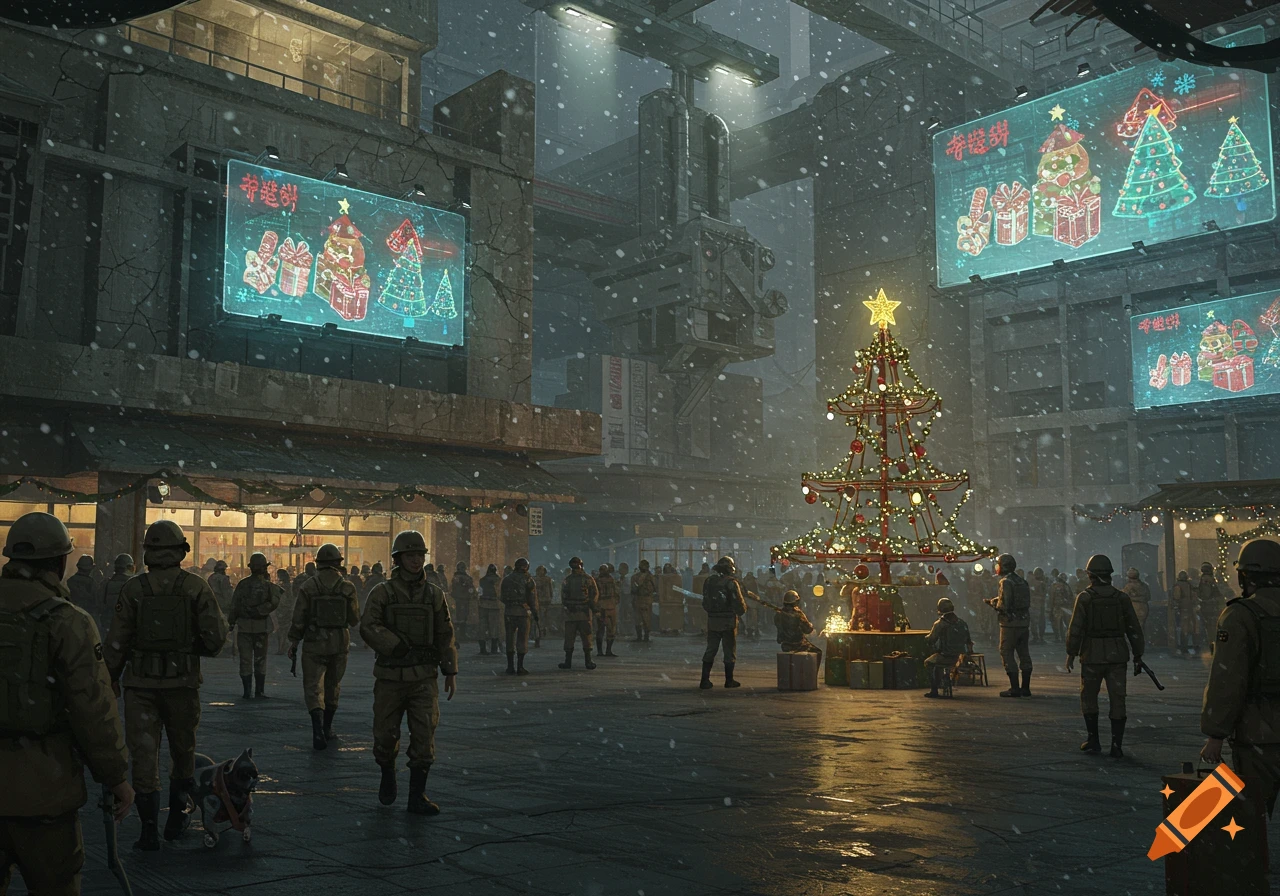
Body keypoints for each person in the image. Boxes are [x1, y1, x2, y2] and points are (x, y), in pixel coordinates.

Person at [0, 513, 134, 895]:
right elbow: (93, 709)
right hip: (44, 793)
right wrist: (115, 777)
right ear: (60, 562)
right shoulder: (67, 621)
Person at [103, 519, 228, 849]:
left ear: (147, 552)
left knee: (144, 757)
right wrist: (190, 649)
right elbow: (216, 637)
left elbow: (116, 643)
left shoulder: (133, 589)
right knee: (183, 752)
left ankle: (148, 831)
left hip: (140, 687)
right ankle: (176, 817)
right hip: (182, 685)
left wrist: (109, 680)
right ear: (181, 551)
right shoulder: (196, 587)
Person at [360, 530, 458, 815]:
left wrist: (450, 670)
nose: (416, 561)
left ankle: (417, 796)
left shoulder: (434, 594)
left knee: (424, 735)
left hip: (424, 678)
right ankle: (387, 773)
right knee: (385, 735)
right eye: (410, 556)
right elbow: (368, 625)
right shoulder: (383, 593)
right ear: (398, 559)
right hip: (390, 677)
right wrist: (394, 645)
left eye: (419, 555)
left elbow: (445, 633)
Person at [1200, 539, 1280, 818]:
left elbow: (1228, 681)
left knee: (1251, 818)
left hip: (1258, 733)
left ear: (1246, 575)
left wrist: (1215, 734)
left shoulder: (1240, 615)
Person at [1066, 554, 1144, 758]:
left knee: (1089, 697)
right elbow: (1134, 629)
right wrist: (1138, 654)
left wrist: (1071, 653)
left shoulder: (1085, 598)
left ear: (1090, 575)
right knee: (1118, 700)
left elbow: (1075, 629)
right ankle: (1116, 745)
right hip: (1117, 654)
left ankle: (1093, 740)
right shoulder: (1122, 598)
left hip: (1091, 655)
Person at [289, 543, 360, 750]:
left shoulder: (309, 586)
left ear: (317, 563)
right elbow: (354, 619)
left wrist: (294, 641)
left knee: (312, 687)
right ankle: (328, 728)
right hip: (339, 642)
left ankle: (317, 730)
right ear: (339, 563)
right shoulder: (347, 587)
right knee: (333, 685)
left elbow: (298, 617)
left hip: (314, 642)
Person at [227, 552, 283, 700]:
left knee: (245, 659)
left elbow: (234, 605)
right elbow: (275, 603)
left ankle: (247, 692)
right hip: (261, 627)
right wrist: (260, 610)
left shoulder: (242, 584)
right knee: (260, 659)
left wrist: (231, 622)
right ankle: (259, 691)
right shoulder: (269, 587)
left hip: (244, 627)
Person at [987, 553, 1032, 698]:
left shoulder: (1005, 582)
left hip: (1009, 624)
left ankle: (1014, 688)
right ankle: (1025, 687)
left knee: (1006, 652)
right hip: (1023, 623)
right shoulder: (1022, 581)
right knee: (1024, 654)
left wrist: (993, 603)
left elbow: (1005, 605)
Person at [699, 556, 748, 689]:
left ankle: (704, 680)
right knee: (729, 651)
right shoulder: (731, 583)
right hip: (728, 621)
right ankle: (729, 680)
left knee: (710, 650)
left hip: (713, 621)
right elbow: (740, 606)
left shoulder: (709, 581)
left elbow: (705, 602)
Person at [923, 597, 972, 698]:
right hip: (960, 657)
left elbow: (931, 640)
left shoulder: (940, 624)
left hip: (946, 656)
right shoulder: (962, 623)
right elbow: (968, 641)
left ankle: (934, 689)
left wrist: (925, 638)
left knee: (929, 663)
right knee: (937, 661)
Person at [500, 558, 539, 675]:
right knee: (522, 640)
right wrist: (535, 613)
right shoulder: (528, 580)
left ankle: (510, 667)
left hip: (509, 612)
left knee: (509, 639)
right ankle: (520, 666)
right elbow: (532, 599)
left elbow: (502, 597)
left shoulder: (507, 579)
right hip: (522, 613)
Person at [559, 557, 598, 669]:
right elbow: (594, 595)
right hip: (578, 612)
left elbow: (593, 595)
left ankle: (582, 660)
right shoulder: (583, 579)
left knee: (581, 637)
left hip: (580, 612)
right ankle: (585, 661)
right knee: (580, 637)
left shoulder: (581, 579)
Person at [775, 590, 821, 666]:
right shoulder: (798, 613)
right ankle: (812, 674)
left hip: (784, 643)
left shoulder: (778, 613)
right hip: (797, 644)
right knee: (818, 652)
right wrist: (811, 625)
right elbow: (808, 630)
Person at [101, 552, 134, 634]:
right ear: (129, 567)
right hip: (127, 628)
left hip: (108, 625)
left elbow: (99, 604)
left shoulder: (105, 584)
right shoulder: (133, 584)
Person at [1197, 562, 1226, 656]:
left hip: (1210, 608)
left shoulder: (1205, 580)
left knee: (1211, 629)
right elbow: (1207, 594)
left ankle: (1213, 648)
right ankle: (1213, 649)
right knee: (1212, 630)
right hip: (1210, 608)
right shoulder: (1207, 579)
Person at [594, 563, 620, 657]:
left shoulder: (599, 580)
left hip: (606, 605)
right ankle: (604, 651)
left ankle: (604, 651)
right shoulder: (599, 580)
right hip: (605, 606)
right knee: (605, 630)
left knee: (607, 630)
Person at [477, 563, 502, 656]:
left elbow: (479, 592)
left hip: (483, 604)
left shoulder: (482, 580)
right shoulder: (498, 580)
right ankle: (494, 648)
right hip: (494, 605)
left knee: (482, 627)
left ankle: (482, 648)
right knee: (494, 627)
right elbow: (499, 593)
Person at [1170, 569, 1195, 655]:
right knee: (1186, 628)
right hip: (1187, 609)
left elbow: (1177, 597)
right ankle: (1184, 646)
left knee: (1182, 629)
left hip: (1183, 609)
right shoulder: (1188, 585)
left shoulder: (1178, 586)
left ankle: (1182, 646)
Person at [65, 554, 98, 619]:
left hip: (72, 612)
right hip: (88, 614)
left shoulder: (70, 581)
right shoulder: (92, 583)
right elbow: (96, 600)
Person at [450, 561, 476, 645]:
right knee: (463, 617)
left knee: (457, 617)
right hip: (464, 600)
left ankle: (457, 634)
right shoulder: (467, 578)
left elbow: (451, 589)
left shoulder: (455, 578)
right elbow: (471, 589)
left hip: (456, 600)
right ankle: (462, 634)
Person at [631, 559, 656, 642]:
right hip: (639, 599)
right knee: (638, 619)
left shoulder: (650, 577)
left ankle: (646, 636)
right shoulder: (635, 577)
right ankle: (640, 636)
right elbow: (633, 589)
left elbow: (654, 587)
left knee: (646, 619)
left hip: (646, 599)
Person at [1123, 567, 1152, 632]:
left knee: (1133, 627)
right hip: (1144, 608)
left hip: (1134, 608)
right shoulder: (1144, 585)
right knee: (1141, 626)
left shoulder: (1129, 586)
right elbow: (1148, 597)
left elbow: (1124, 597)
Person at [275, 567, 295, 654]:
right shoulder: (290, 586)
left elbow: (282, 599)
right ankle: (283, 646)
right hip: (288, 610)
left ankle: (281, 648)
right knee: (284, 630)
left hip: (282, 610)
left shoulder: (283, 587)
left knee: (281, 630)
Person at [533, 564, 555, 644]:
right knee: (538, 620)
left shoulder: (547, 579)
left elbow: (550, 590)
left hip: (545, 602)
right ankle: (538, 635)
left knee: (543, 619)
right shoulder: (534, 579)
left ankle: (541, 632)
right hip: (538, 602)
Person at [1048, 570, 1071, 642]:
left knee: (1056, 624)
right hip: (1066, 607)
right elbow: (1070, 597)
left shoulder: (1054, 585)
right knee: (1066, 624)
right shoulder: (1067, 586)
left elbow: (1051, 597)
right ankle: (1065, 637)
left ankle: (1057, 638)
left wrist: (1050, 608)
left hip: (1057, 607)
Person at [1028, 567, 1048, 645]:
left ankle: (1036, 637)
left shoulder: (1032, 582)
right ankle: (1039, 637)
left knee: (1035, 622)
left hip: (1035, 605)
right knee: (1039, 622)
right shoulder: (1042, 583)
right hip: (1038, 605)